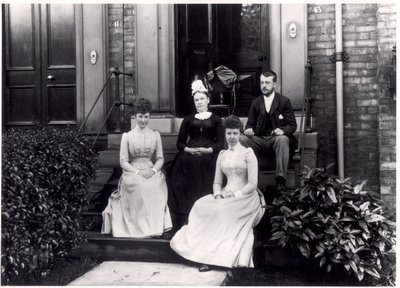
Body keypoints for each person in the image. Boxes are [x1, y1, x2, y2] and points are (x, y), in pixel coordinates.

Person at [170, 115, 266, 271]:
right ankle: (201, 253)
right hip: (225, 194)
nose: (232, 137)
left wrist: (234, 195)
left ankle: (215, 257)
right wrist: (217, 195)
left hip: (246, 197)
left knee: (220, 212)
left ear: (240, 134)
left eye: (235, 133)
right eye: (229, 133)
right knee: (200, 205)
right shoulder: (222, 154)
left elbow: (253, 184)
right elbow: (217, 182)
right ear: (225, 134)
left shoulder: (248, 153)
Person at [102, 98, 172, 238]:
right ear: (135, 116)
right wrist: (138, 172)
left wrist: (152, 171)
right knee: (139, 186)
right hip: (132, 170)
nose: (143, 120)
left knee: (154, 187)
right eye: (140, 116)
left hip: (151, 169)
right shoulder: (127, 136)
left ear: (149, 117)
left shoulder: (155, 135)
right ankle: (137, 228)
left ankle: (154, 228)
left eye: (146, 117)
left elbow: (160, 158)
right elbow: (123, 161)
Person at [167, 77, 224, 232]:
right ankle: (187, 213)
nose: (199, 102)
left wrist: (208, 150)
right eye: (196, 100)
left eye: (202, 99)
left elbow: (220, 143)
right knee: (184, 165)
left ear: (207, 100)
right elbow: (180, 143)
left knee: (206, 166)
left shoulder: (216, 119)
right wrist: (188, 150)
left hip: (209, 153)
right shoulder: (188, 119)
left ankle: (206, 215)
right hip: (190, 152)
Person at [240, 70, 297, 191]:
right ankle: (245, 178)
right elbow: (249, 125)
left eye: (267, 82)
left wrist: (283, 130)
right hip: (259, 139)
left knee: (282, 139)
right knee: (242, 139)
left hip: (275, 139)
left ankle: (281, 179)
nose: (264, 86)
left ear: (274, 84)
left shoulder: (283, 101)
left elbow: (292, 125)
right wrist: (248, 130)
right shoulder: (256, 102)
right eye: (262, 83)